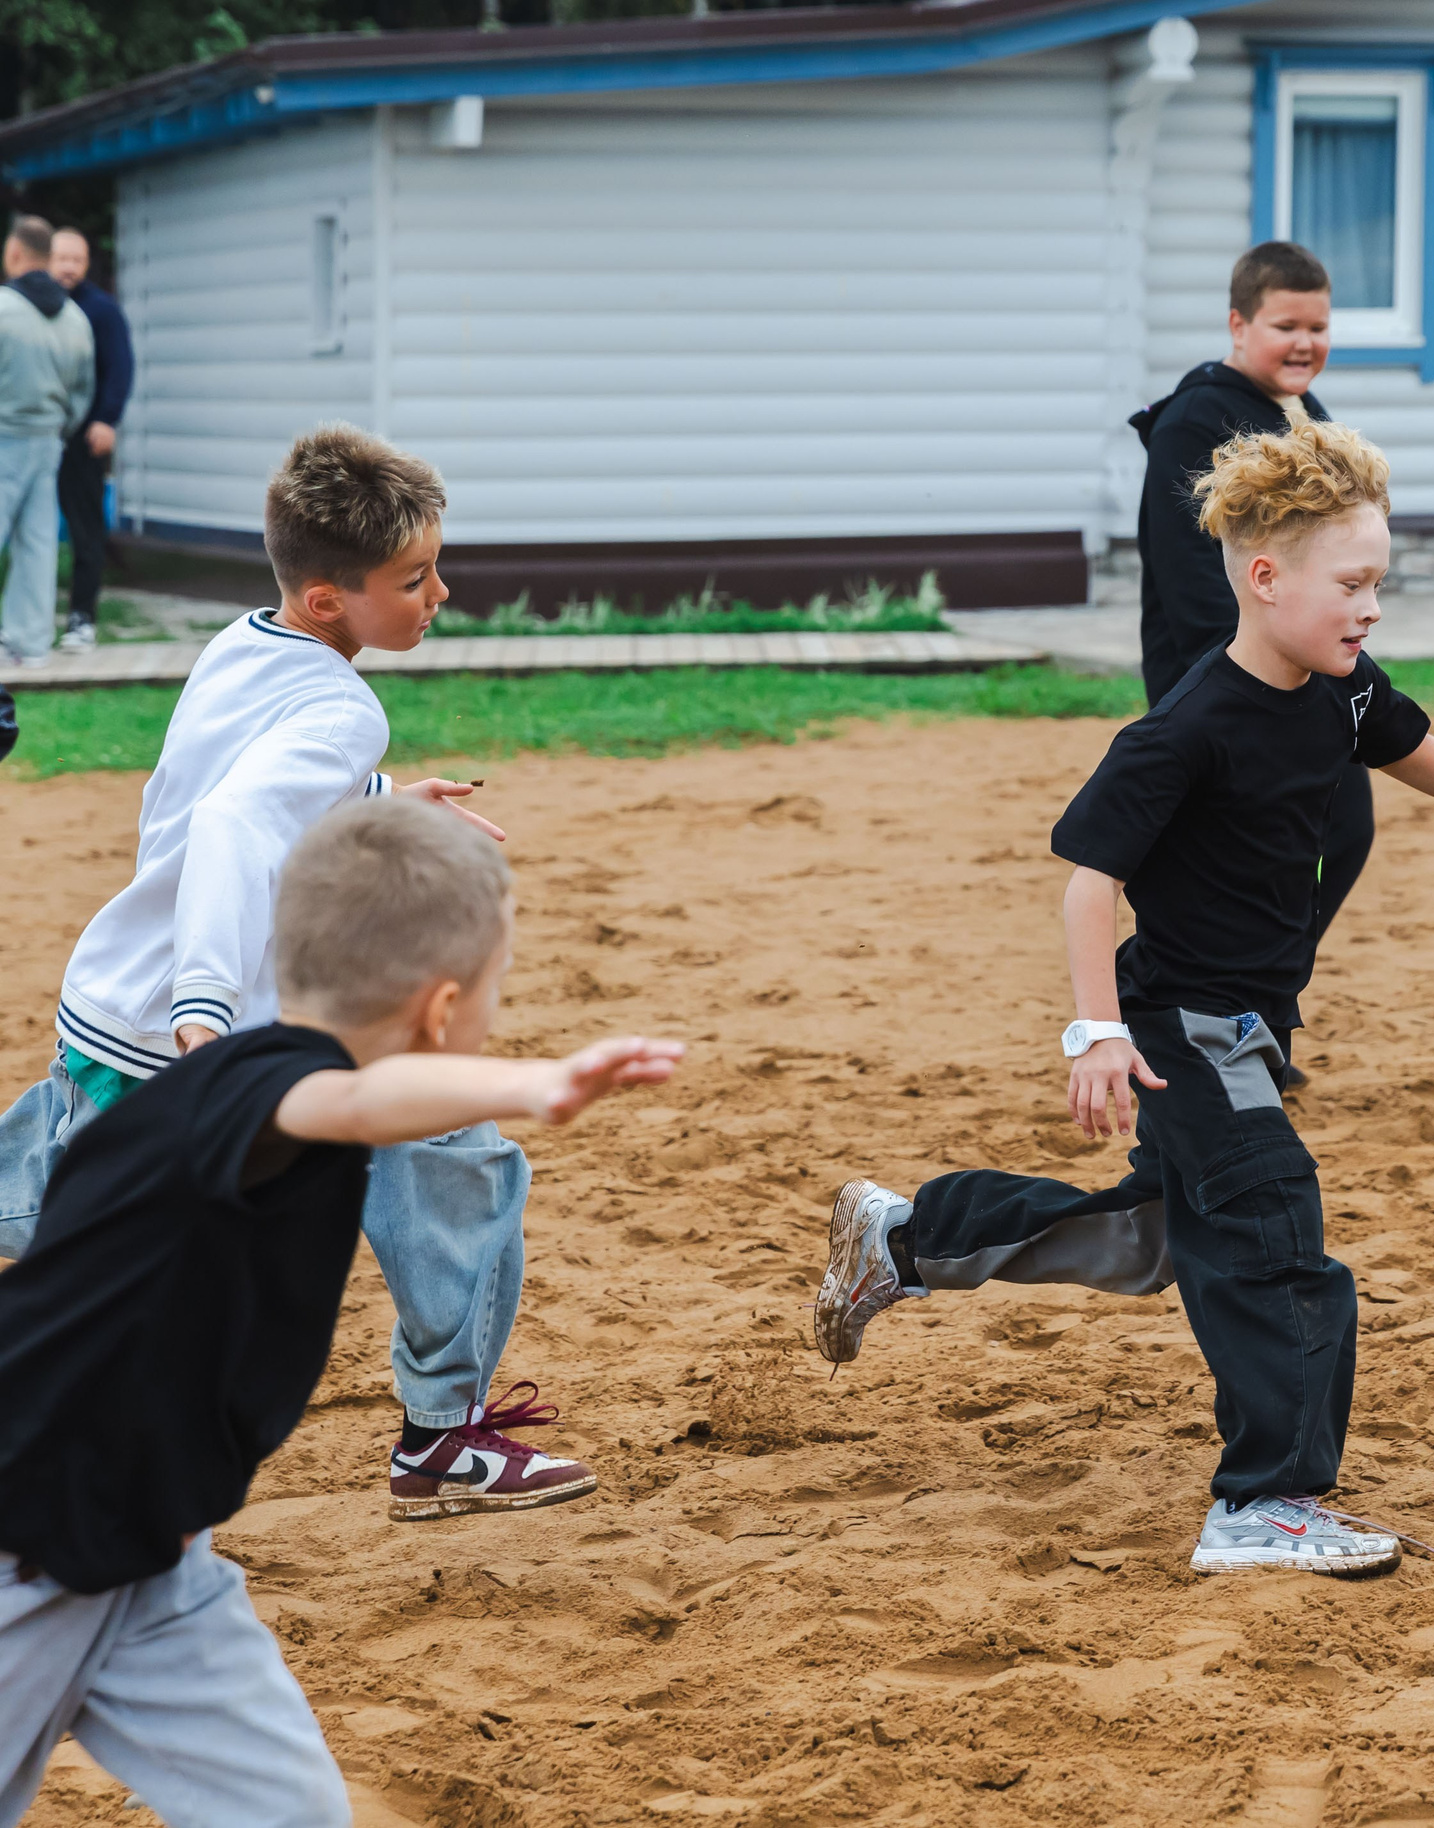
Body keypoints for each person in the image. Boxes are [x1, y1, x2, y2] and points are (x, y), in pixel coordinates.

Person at [808, 421, 1434, 1576]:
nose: (1370, 608)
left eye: (1379, 584)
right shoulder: (1185, 727)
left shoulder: (1335, 689)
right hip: (1183, 1027)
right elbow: (1092, 886)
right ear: (1265, 576)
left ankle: (906, 1236)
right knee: (1277, 1234)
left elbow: (1409, 741)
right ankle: (1265, 1502)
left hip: (1245, 1026)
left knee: (1152, 1241)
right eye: (1352, 584)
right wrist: (1094, 1033)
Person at [0, 796, 684, 1828]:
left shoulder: (230, 1075)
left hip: (158, 1565)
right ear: (441, 1009)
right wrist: (538, 1083)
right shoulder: (267, 1092)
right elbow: (351, 1103)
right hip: (32, 1553)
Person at [0, 424, 597, 1522]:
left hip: (113, 1004)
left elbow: (247, 783)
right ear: (331, 600)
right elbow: (234, 820)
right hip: (200, 1024)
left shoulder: (246, 641)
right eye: (413, 580)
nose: (439, 593)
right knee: (451, 1154)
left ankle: (441, 1436)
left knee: (56, 1207)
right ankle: (443, 1442)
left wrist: (372, 801)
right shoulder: (341, 704)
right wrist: (204, 1015)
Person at [1130, 243, 1377, 998]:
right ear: (1239, 325)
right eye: (1285, 325)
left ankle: (1256, 997)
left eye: (1319, 326)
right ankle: (1203, 1005)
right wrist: (1249, 679)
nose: (1305, 343)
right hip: (1220, 686)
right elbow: (1188, 577)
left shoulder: (1305, 415)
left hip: (1303, 670)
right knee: (1222, 859)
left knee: (1343, 828)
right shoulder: (1194, 420)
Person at [0, 216, 92, 668]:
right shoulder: (75, 318)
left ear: (15, 253)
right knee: (37, 543)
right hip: (49, 441)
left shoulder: (2, 308)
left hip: (4, 436)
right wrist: (60, 426)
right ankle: (30, 643)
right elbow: (83, 390)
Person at [48, 225, 131, 656]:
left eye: (76, 260)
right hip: (42, 436)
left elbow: (120, 369)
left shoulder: (102, 311)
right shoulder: (31, 306)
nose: (68, 267)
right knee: (35, 531)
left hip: (85, 437)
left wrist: (107, 420)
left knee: (85, 530)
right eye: (61, 258)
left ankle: (82, 617)